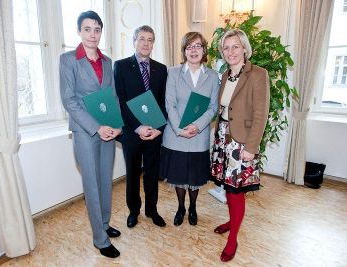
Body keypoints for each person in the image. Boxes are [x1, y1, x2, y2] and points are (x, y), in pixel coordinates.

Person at [59, 11, 122, 258]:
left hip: (109, 129)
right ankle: (99, 238)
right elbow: (69, 99)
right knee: (92, 184)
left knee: (105, 179)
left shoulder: (107, 61)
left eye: (97, 29)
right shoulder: (68, 60)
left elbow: (113, 97)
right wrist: (96, 127)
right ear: (79, 31)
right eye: (87, 29)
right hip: (86, 131)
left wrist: (117, 125)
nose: (92, 34)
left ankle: (105, 223)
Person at [211, 28, 270, 262]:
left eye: (235, 46)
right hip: (223, 137)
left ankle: (233, 237)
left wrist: (251, 147)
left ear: (245, 48)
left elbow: (261, 113)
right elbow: (224, 108)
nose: (230, 51)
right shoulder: (225, 75)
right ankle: (230, 221)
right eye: (226, 48)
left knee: (236, 191)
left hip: (242, 141)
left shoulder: (257, 74)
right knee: (227, 186)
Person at [160, 32, 219, 227]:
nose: (193, 51)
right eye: (189, 47)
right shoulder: (173, 73)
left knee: (194, 177)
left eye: (197, 46)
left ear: (204, 50)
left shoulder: (212, 76)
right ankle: (180, 207)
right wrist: (179, 129)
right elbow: (170, 104)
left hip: (199, 136)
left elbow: (213, 107)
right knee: (178, 177)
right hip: (176, 136)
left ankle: (193, 207)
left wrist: (197, 126)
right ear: (184, 51)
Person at [114, 25, 167, 228]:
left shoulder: (161, 69)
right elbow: (121, 100)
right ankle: (133, 211)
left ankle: (152, 210)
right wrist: (137, 127)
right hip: (131, 132)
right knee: (133, 174)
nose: (146, 43)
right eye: (142, 39)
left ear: (153, 43)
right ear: (134, 41)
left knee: (152, 173)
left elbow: (163, 102)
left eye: (150, 39)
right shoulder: (121, 66)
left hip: (154, 132)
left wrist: (157, 128)